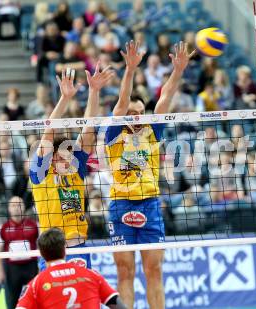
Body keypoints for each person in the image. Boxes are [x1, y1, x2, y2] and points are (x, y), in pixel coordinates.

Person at [105, 40, 194, 309]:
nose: (137, 117)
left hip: (150, 204)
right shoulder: (114, 134)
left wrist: (178, 71)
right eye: (133, 113)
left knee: (154, 271)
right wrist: (130, 70)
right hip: (121, 205)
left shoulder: (152, 132)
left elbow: (165, 98)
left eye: (141, 113)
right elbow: (121, 104)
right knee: (125, 272)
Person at [30, 64, 114, 271]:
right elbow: (48, 131)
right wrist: (65, 99)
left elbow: (88, 130)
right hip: (52, 250)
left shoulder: (76, 171)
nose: (68, 160)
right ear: (52, 158)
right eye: (63, 156)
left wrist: (94, 92)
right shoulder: (41, 173)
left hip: (79, 247)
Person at [16, 228, 127, 309]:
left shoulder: (35, 284)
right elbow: (115, 302)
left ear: (41, 254)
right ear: (65, 249)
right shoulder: (91, 274)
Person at [0, 196, 38, 309]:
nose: (16, 208)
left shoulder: (34, 225)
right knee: (12, 301)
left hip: (31, 267)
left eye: (19, 204)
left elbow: (42, 247)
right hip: (12, 268)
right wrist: (0, 271)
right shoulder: (2, 228)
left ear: (24, 207)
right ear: (9, 208)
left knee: (35, 297)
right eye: (13, 205)